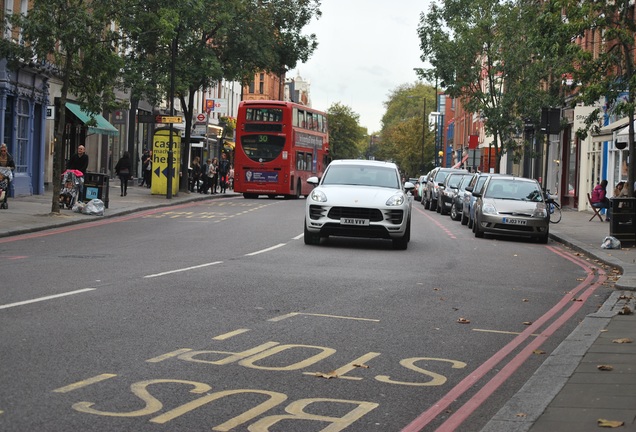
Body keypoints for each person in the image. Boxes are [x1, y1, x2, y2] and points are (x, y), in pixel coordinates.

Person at [0, 143, 15, 208]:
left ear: (6, 150)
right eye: (2, 151)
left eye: (4, 151)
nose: (3, 152)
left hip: (6, 175)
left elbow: (13, 167)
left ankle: (4, 201)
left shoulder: (9, 157)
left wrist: (10, 168)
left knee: (5, 188)